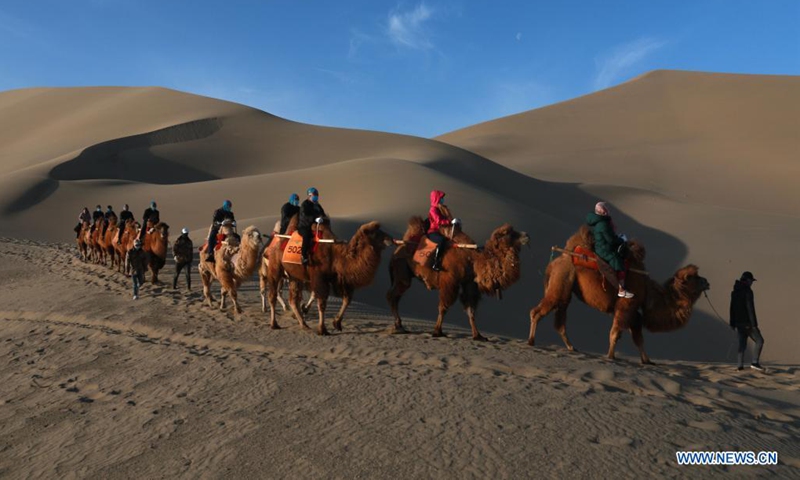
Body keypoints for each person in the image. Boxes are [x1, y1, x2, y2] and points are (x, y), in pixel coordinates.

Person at [585, 202, 634, 298]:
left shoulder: (601, 221)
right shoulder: (603, 224)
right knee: (618, 261)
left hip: (603, 246)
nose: (606, 210)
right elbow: (611, 240)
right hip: (604, 250)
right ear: (600, 211)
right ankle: (621, 289)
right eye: (604, 209)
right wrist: (622, 240)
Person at [730, 271, 765, 371]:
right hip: (748, 323)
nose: (752, 283)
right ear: (748, 280)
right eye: (751, 281)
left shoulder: (734, 292)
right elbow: (750, 309)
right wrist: (754, 325)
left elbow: (732, 308)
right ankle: (755, 363)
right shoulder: (748, 291)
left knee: (742, 344)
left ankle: (739, 366)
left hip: (738, 323)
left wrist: (732, 323)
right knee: (760, 341)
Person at [427, 190, 455, 272]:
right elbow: (438, 221)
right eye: (441, 198)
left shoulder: (440, 209)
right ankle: (435, 263)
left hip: (440, 231)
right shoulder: (433, 210)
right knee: (441, 240)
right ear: (436, 199)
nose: (442, 200)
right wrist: (449, 222)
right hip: (433, 232)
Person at [297, 187, 326, 265]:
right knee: (306, 235)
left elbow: (323, 214)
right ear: (309, 195)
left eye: (317, 195)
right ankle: (304, 256)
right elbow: (305, 216)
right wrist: (315, 218)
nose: (316, 196)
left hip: (316, 226)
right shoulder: (305, 205)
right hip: (304, 226)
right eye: (314, 195)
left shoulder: (317, 205)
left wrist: (322, 218)